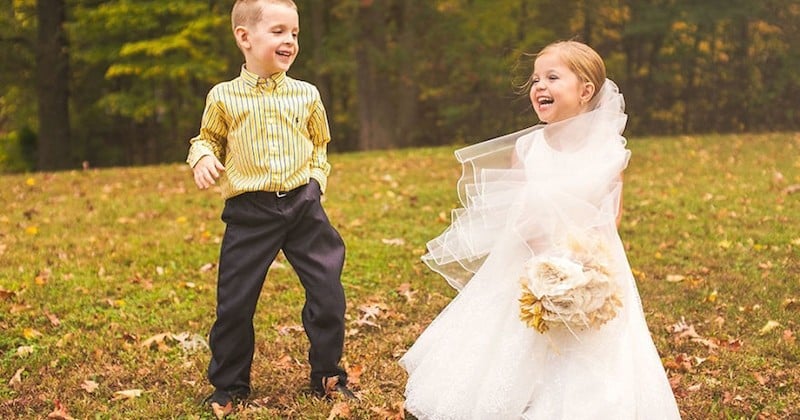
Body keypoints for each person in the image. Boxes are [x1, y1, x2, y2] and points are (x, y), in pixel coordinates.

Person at [400, 40, 681, 419]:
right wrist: (538, 255)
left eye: (552, 77)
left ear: (585, 91)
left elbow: (610, 214)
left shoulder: (608, 150)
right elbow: (517, 206)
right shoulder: (530, 147)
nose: (539, 87)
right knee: (515, 335)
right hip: (528, 258)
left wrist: (581, 263)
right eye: (535, 79)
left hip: (588, 261)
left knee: (591, 340)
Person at [186, 0, 355, 416]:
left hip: (302, 206)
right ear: (245, 38)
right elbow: (205, 139)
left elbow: (319, 145)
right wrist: (203, 159)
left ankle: (328, 376)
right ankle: (229, 386)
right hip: (249, 212)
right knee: (235, 304)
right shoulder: (223, 97)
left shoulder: (307, 95)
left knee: (328, 293)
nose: (290, 41)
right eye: (278, 31)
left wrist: (316, 183)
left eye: (294, 33)